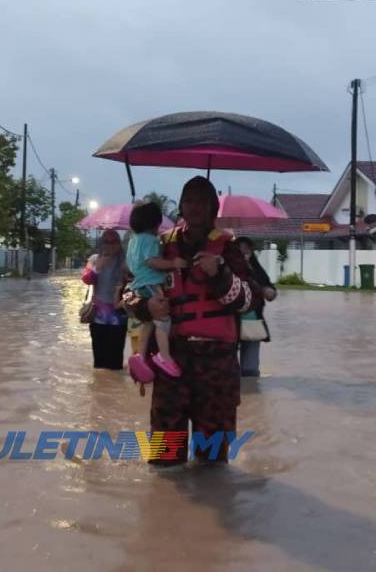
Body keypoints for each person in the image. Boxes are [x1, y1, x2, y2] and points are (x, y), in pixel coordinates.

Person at [143, 176, 261, 465]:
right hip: (171, 362)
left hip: (217, 366)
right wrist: (145, 307)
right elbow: (129, 291)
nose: (195, 207)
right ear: (181, 206)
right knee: (164, 461)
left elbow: (250, 299)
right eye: (189, 201)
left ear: (214, 208)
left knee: (213, 464)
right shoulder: (159, 246)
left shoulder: (229, 248)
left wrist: (219, 274)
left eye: (202, 201)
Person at [124, 201, 185, 384]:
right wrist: (173, 264)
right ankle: (164, 356)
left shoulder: (133, 241)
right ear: (153, 224)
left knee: (148, 323)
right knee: (163, 320)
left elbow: (131, 266)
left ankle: (140, 356)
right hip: (152, 284)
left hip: (138, 285)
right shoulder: (150, 240)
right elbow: (152, 261)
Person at [81, 230, 129, 370]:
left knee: (115, 363)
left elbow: (134, 279)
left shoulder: (126, 260)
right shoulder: (94, 259)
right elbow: (86, 279)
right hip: (98, 316)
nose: (111, 245)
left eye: (114, 241)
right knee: (99, 364)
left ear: (119, 244)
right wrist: (98, 268)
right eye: (107, 242)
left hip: (119, 315)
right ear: (102, 243)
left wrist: (127, 272)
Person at [234, 236, 278, 377]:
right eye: (239, 251)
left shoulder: (256, 270)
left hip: (252, 322)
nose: (243, 254)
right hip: (229, 324)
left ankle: (252, 389)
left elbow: (270, 291)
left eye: (247, 251)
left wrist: (268, 291)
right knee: (228, 367)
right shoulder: (226, 270)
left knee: (250, 370)